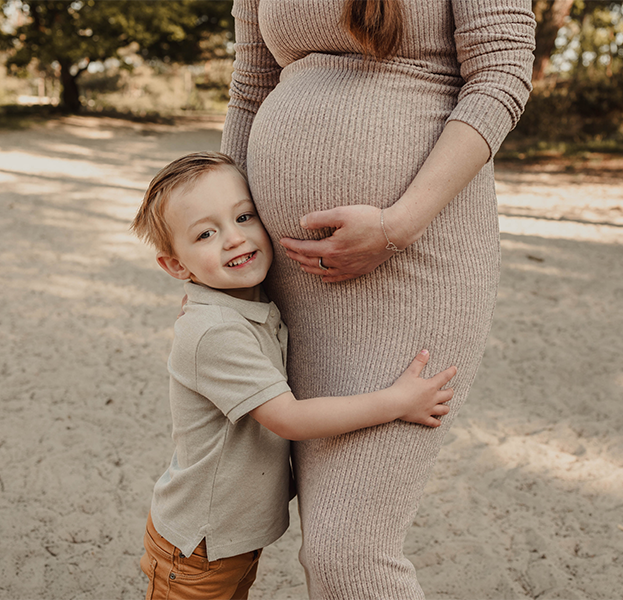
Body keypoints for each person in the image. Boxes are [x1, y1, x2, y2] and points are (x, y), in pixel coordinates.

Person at [220, 0, 536, 597]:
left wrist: (397, 226)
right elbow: (250, 88)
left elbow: (501, 73)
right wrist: (220, 269)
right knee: (319, 544)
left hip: (417, 263)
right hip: (286, 279)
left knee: (349, 552)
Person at [131, 151, 457, 600]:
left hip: (229, 541)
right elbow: (290, 418)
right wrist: (397, 402)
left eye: (244, 216)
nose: (234, 239)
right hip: (197, 550)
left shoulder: (240, 304)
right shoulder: (214, 332)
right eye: (206, 233)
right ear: (177, 267)